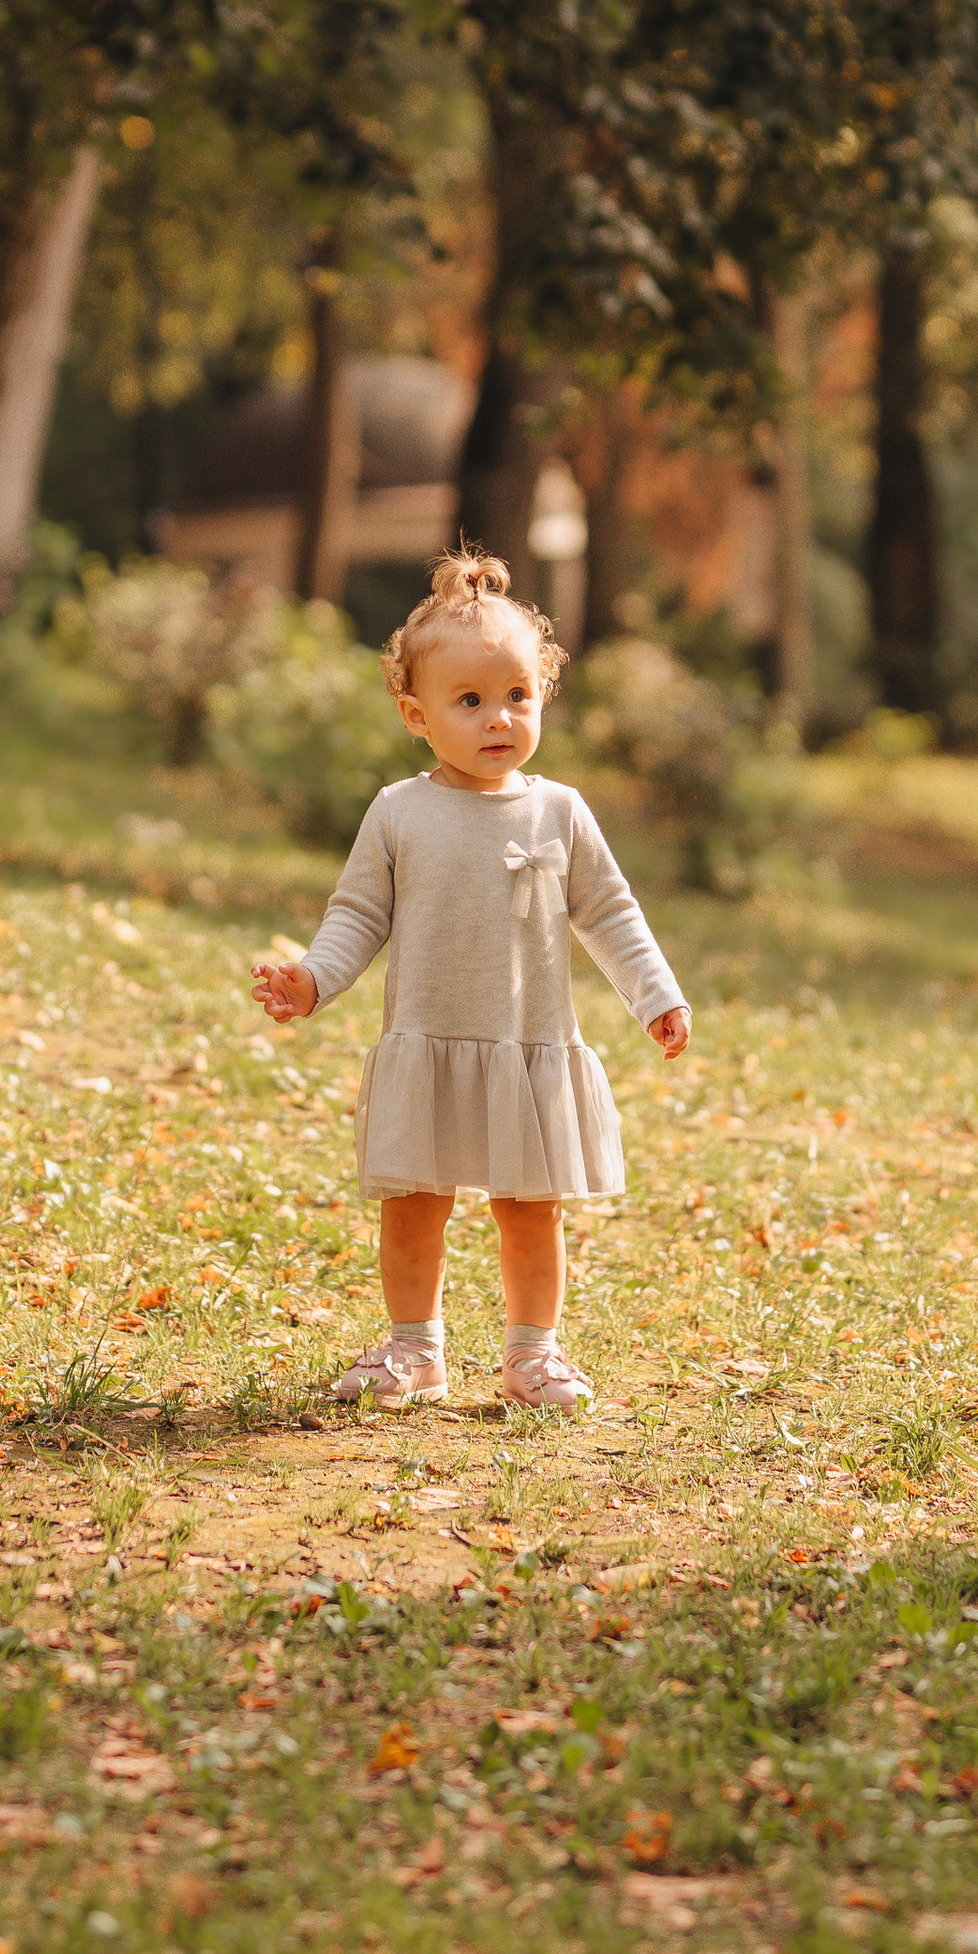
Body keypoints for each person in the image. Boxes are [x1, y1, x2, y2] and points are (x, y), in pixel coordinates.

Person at [250, 544, 690, 1412]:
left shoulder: (559, 810)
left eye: (519, 696)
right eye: (471, 700)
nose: (500, 718)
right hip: (429, 1041)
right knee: (414, 1204)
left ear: (544, 693)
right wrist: (312, 980)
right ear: (417, 715)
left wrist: (656, 994)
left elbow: (608, 911)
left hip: (526, 1046)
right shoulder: (399, 812)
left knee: (531, 1211)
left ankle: (533, 1356)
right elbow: (357, 915)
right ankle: (415, 1350)